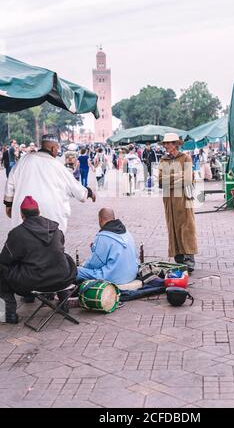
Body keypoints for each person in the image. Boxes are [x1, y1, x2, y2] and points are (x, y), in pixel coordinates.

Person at [0, 196, 77, 324]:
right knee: (61, 259)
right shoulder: (55, 229)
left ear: (21, 214)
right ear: (39, 212)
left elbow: (5, 259)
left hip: (34, 282)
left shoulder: (17, 233)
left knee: (2, 268)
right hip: (62, 279)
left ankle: (10, 313)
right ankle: (64, 303)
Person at [3, 134, 96, 235]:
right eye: (57, 148)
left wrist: (9, 205)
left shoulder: (23, 161)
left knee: (23, 245)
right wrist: (89, 192)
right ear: (53, 148)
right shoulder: (58, 167)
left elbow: (10, 184)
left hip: (22, 217)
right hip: (51, 220)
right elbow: (79, 192)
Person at [158, 133, 198, 273]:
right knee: (173, 227)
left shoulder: (185, 158)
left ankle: (189, 258)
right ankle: (179, 257)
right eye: (165, 143)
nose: (166, 146)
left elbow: (188, 179)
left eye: (169, 143)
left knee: (186, 227)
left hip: (184, 198)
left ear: (176, 144)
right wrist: (178, 176)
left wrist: (171, 177)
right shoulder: (163, 160)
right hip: (169, 199)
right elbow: (161, 181)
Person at [77, 208, 138, 285]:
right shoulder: (127, 233)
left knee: (77, 272)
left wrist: (83, 266)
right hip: (132, 274)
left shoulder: (103, 237)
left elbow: (94, 264)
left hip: (116, 278)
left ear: (100, 219)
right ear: (113, 218)